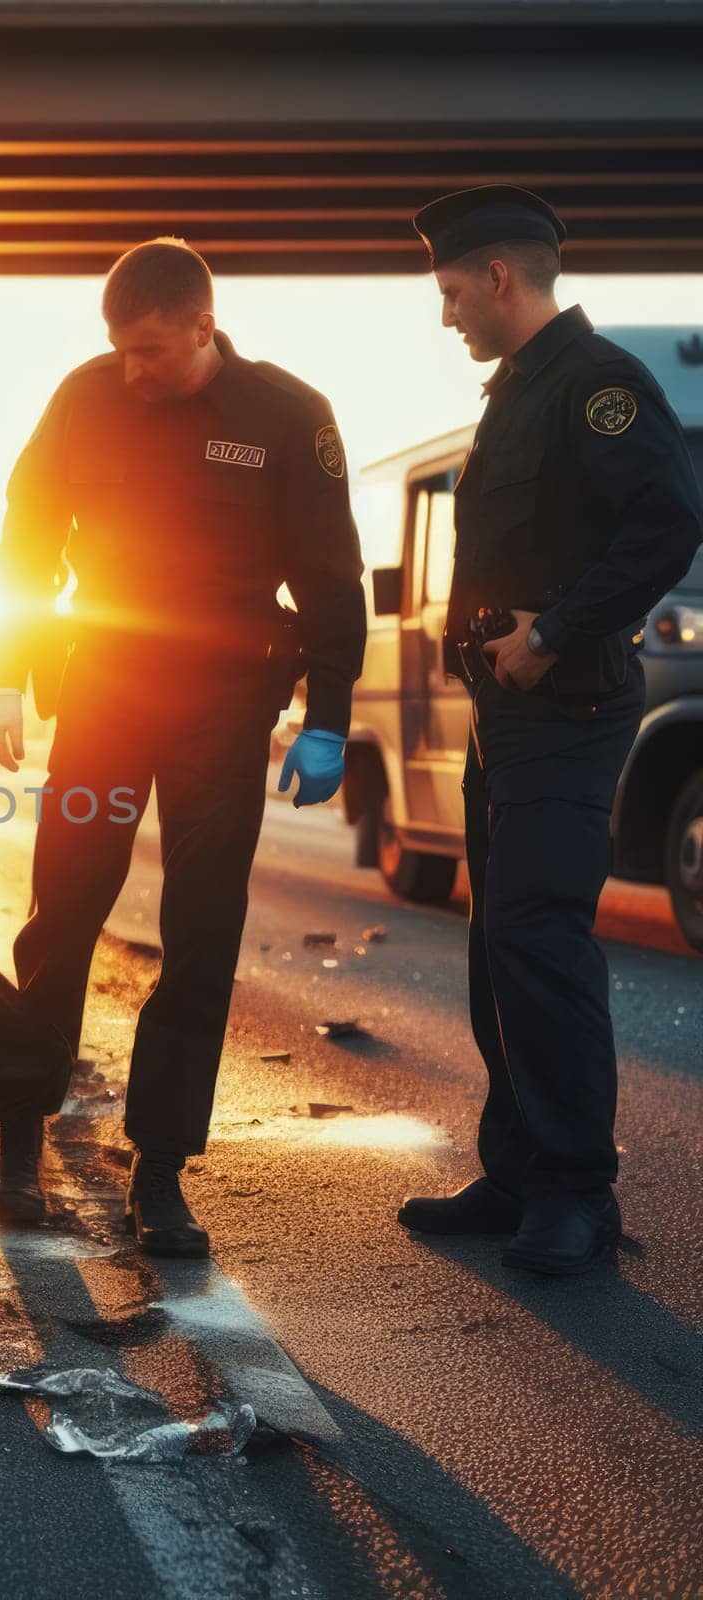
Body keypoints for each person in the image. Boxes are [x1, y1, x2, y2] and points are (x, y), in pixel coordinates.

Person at [0, 237, 366, 1255]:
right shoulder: (85, 395)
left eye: (150, 350)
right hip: (102, 692)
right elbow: (25, 535)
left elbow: (330, 574)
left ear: (202, 326)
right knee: (61, 912)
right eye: (119, 349)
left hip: (220, 708)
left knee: (200, 929)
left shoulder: (286, 414)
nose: (133, 369)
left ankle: (159, 1171)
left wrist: (328, 712)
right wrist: (5, 674)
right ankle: (21, 1144)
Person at [398, 186, 703, 1274]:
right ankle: (520, 1165)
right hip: (507, 708)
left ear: (497, 276)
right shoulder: (517, 391)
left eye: (448, 292)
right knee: (498, 943)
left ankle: (577, 1192)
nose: (445, 315)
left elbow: (668, 521)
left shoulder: (598, 384)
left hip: (567, 702)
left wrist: (558, 629)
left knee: (540, 937)